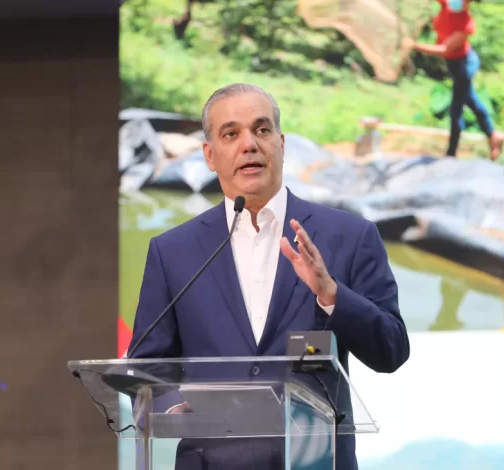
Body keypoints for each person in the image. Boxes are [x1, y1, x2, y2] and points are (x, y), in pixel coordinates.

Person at [127, 83, 410, 470]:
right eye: (231, 134)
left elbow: (391, 351)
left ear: (281, 144)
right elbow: (145, 365)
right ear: (209, 155)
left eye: (261, 130)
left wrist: (332, 295)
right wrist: (175, 408)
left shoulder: (350, 236)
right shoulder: (173, 251)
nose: (249, 144)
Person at [405, 0, 504, 160]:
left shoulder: (466, 24)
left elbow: (445, 49)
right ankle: (493, 135)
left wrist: (415, 46)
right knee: (471, 100)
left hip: (464, 67)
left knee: (456, 109)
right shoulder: (447, 5)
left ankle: (451, 153)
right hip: (454, 65)